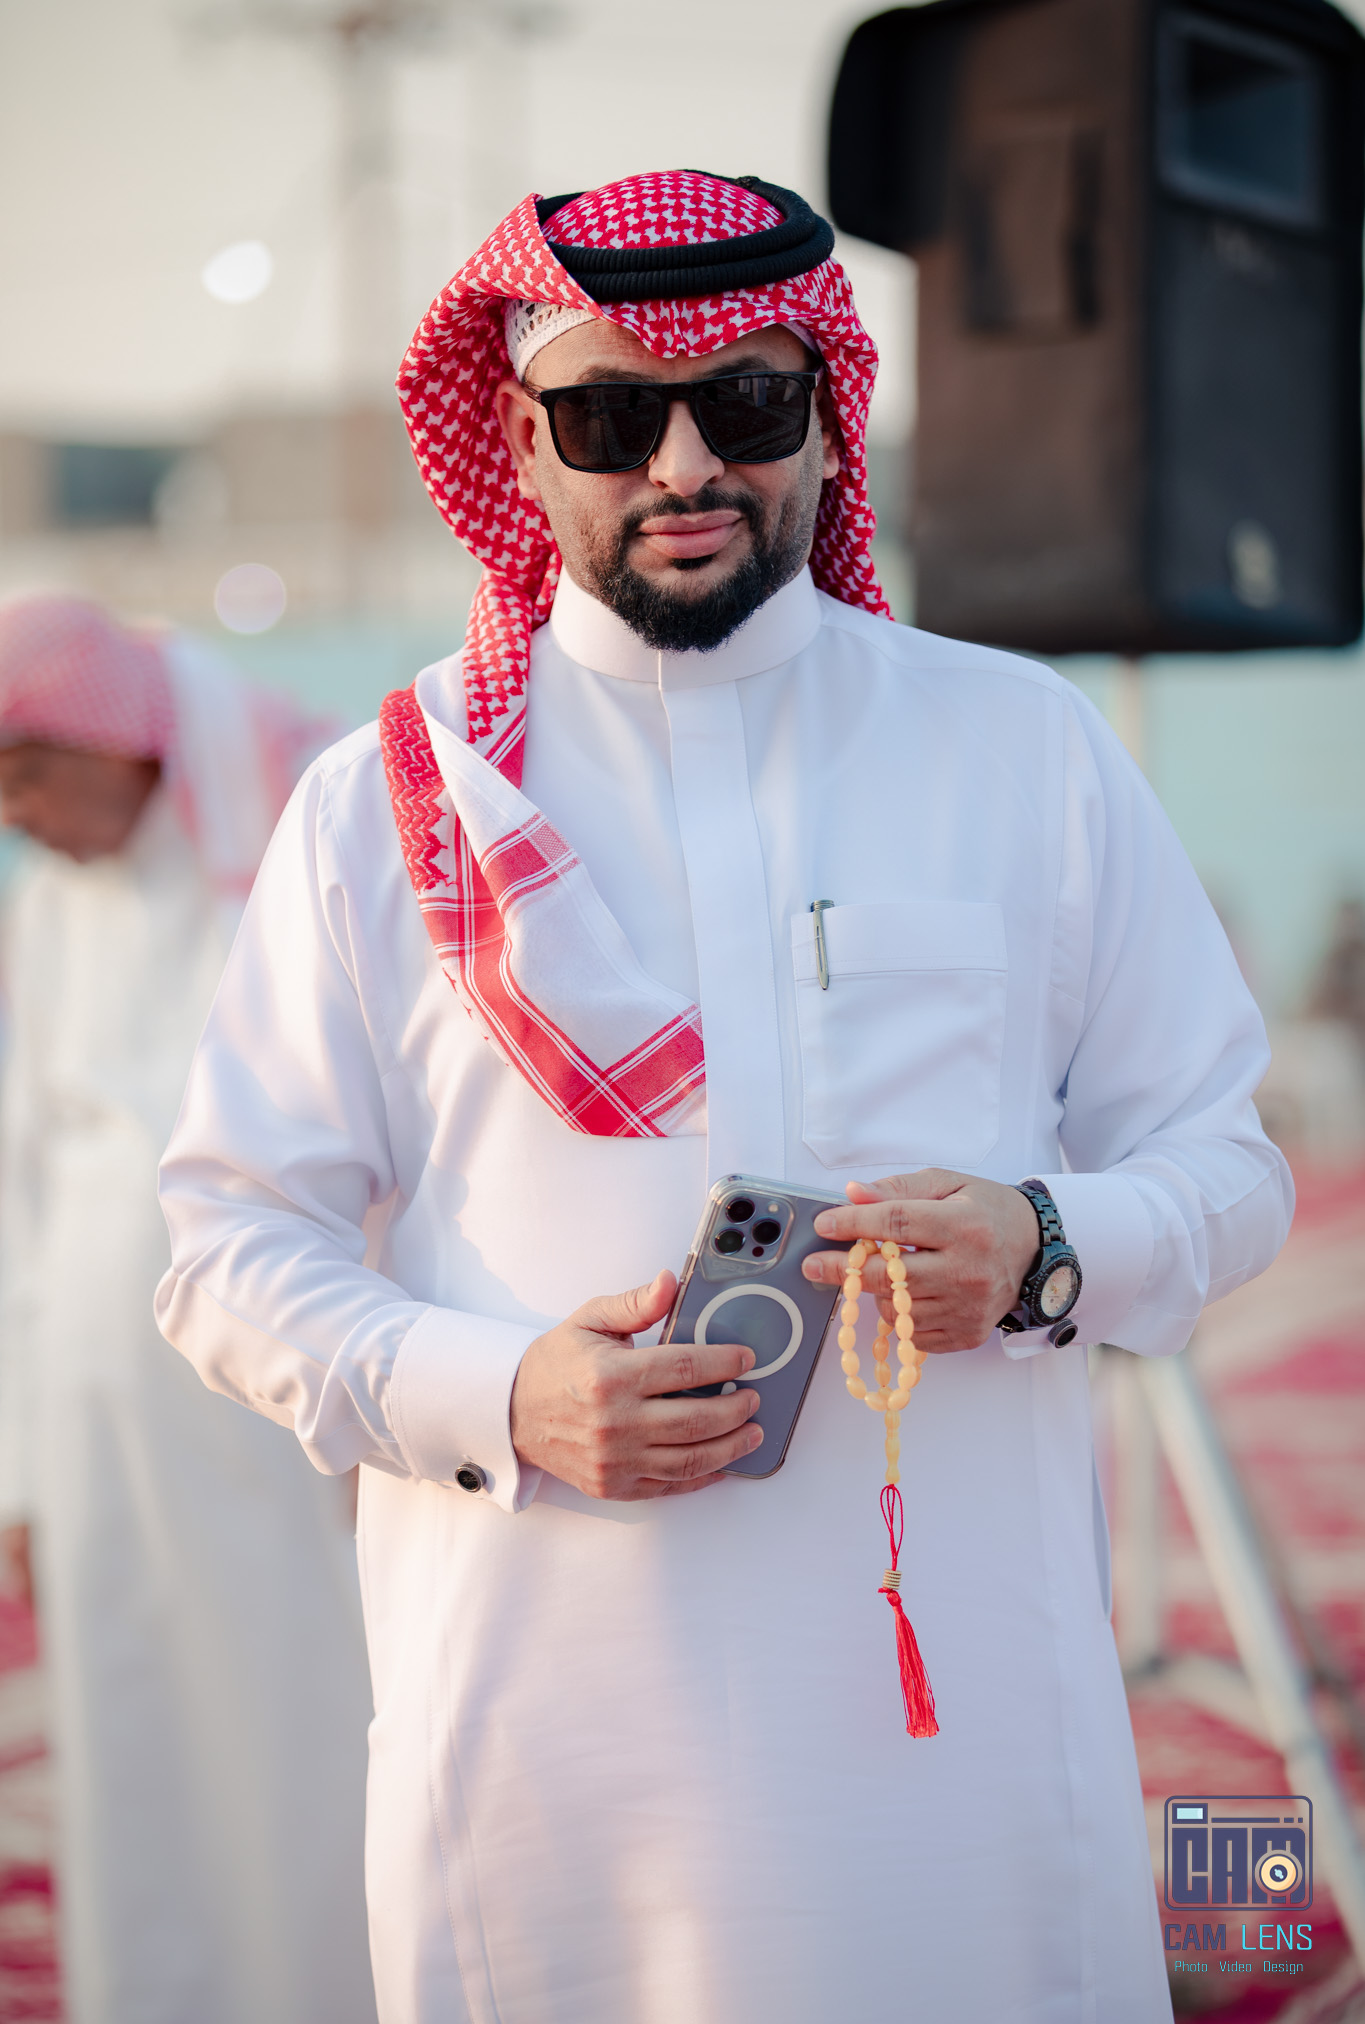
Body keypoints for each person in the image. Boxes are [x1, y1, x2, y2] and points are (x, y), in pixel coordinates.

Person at [156, 172, 1293, 2023]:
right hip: (549, 1718)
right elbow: (224, 1248)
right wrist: (501, 1394)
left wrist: (1045, 1244)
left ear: (829, 423)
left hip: (961, 1715)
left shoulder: (1019, 746)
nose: (683, 466)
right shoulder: (381, 807)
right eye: (611, 418)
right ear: (518, 445)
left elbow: (1224, 1166)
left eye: (745, 404)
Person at [0, 595, 378, 2024]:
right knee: (128, 1717)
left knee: (292, 1710)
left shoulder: (290, 853)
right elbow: (24, 1182)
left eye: (27, 774)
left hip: (271, 1398)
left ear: (117, 746)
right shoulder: (50, 907)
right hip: (92, 1403)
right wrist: (20, 1466)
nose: (18, 816)